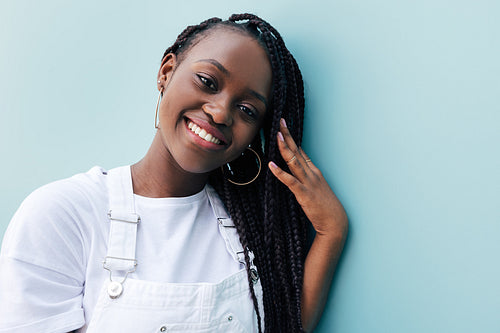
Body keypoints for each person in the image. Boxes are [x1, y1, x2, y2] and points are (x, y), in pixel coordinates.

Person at [0, 13, 348, 333]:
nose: (220, 112)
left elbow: (285, 322)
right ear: (166, 72)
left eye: (246, 109)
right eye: (208, 81)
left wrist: (331, 230)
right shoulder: (63, 213)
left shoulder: (249, 228)